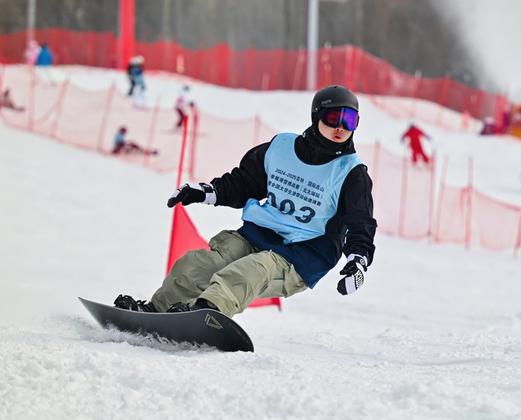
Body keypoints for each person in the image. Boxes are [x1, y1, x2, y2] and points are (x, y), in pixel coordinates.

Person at [113, 85, 377, 318]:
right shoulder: (281, 149)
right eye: (333, 118)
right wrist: (205, 192)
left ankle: (207, 313)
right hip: (256, 235)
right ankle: (155, 311)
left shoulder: (351, 173)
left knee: (251, 270)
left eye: (350, 119)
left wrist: (358, 261)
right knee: (198, 265)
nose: (341, 127)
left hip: (305, 254)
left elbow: (360, 222)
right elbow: (244, 183)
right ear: (316, 116)